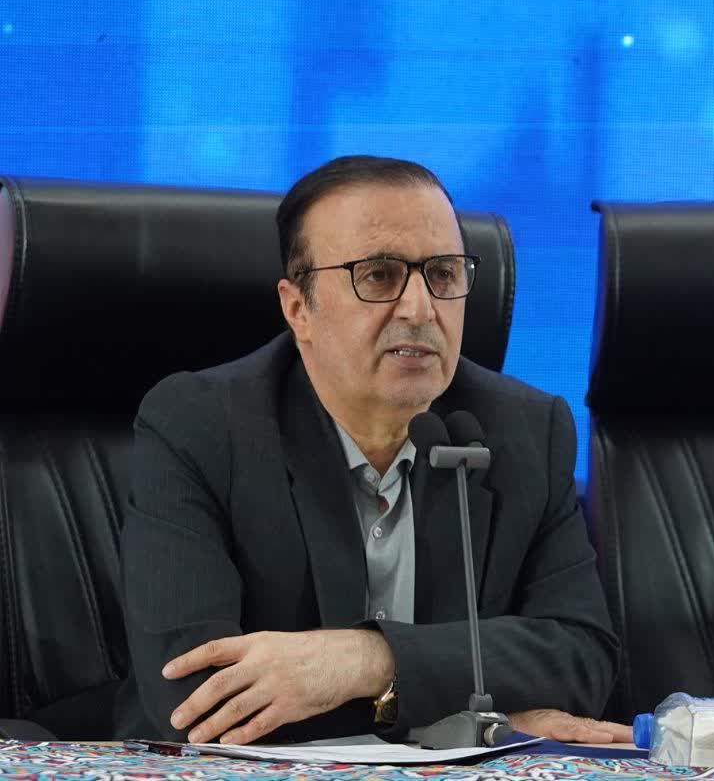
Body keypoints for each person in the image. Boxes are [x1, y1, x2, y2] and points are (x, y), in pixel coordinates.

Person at [115, 155, 628, 746]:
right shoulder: (198, 426)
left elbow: (582, 657)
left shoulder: (526, 430)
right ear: (298, 309)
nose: (420, 308)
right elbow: (196, 697)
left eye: (443, 274)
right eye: (379, 276)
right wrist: (465, 720)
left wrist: (369, 659)